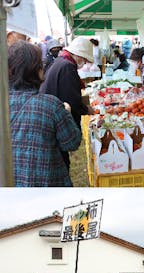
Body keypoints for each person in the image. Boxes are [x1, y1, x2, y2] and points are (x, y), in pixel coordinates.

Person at [8, 41, 81, 187]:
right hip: (47, 184)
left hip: (10, 186)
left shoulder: (4, 103)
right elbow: (72, 142)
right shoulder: (51, 105)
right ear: (37, 70)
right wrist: (66, 112)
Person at [39, 36, 93, 172]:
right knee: (61, 162)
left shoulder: (61, 61)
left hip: (49, 113)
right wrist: (86, 109)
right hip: (55, 117)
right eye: (84, 58)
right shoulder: (67, 67)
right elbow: (72, 99)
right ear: (78, 55)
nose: (84, 62)